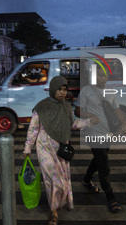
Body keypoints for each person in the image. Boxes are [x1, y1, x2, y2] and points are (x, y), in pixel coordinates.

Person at [23, 76, 94, 225]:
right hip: (44, 147)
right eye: (59, 89)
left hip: (61, 149)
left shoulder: (67, 106)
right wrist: (28, 146)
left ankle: (57, 203)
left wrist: (88, 122)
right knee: (53, 180)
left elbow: (72, 124)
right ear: (53, 89)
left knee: (61, 179)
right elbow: (34, 128)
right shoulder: (41, 107)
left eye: (64, 89)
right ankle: (54, 212)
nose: (62, 93)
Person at [74, 66, 126, 213]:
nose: (101, 78)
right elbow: (77, 111)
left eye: (103, 76)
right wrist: (89, 115)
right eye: (98, 76)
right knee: (104, 165)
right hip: (92, 133)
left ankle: (86, 180)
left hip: (108, 133)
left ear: (107, 77)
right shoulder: (86, 90)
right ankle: (111, 198)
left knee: (99, 158)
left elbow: (116, 109)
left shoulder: (110, 91)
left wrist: (123, 124)